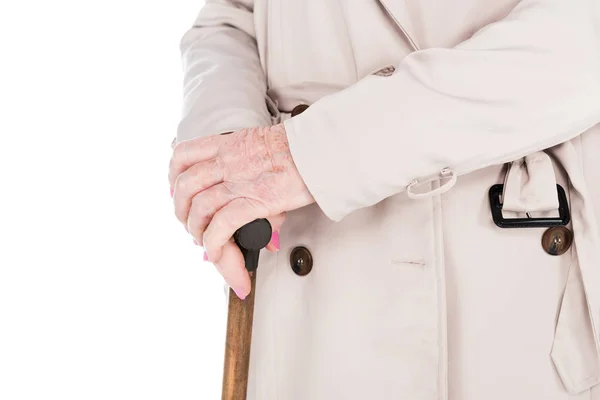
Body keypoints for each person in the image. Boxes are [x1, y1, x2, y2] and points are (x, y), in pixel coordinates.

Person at [168, 0, 600, 398]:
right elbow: (234, 16)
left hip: (514, 284)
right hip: (309, 294)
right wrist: (227, 148)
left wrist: (313, 152)